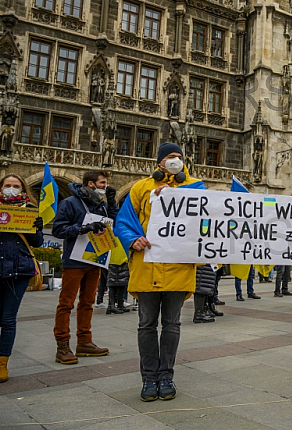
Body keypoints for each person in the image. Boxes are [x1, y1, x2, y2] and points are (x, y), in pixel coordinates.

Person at [114, 142, 205, 401]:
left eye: (179, 156)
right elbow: (124, 222)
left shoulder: (195, 186)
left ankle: (166, 376)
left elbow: (206, 219)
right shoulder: (141, 188)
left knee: (172, 324)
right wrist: (132, 239)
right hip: (146, 265)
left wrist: (176, 197)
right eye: (169, 156)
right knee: (146, 324)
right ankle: (148, 379)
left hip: (179, 267)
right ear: (159, 162)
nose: (175, 160)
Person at [0, 174, 43, 384]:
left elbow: (37, 242)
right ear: (0, 188)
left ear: (23, 190)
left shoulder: (29, 210)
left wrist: (37, 228)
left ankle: (3, 364)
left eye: (15, 186)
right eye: (7, 185)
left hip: (19, 271)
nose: (11, 189)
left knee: (8, 320)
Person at [52, 170, 118, 364]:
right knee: (66, 304)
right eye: (103, 183)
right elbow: (58, 229)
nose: (105, 186)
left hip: (95, 260)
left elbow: (114, 223)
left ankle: (84, 341)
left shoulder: (102, 205)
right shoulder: (70, 203)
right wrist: (82, 228)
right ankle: (62, 345)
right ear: (91, 184)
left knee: (87, 303)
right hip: (74, 261)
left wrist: (113, 203)